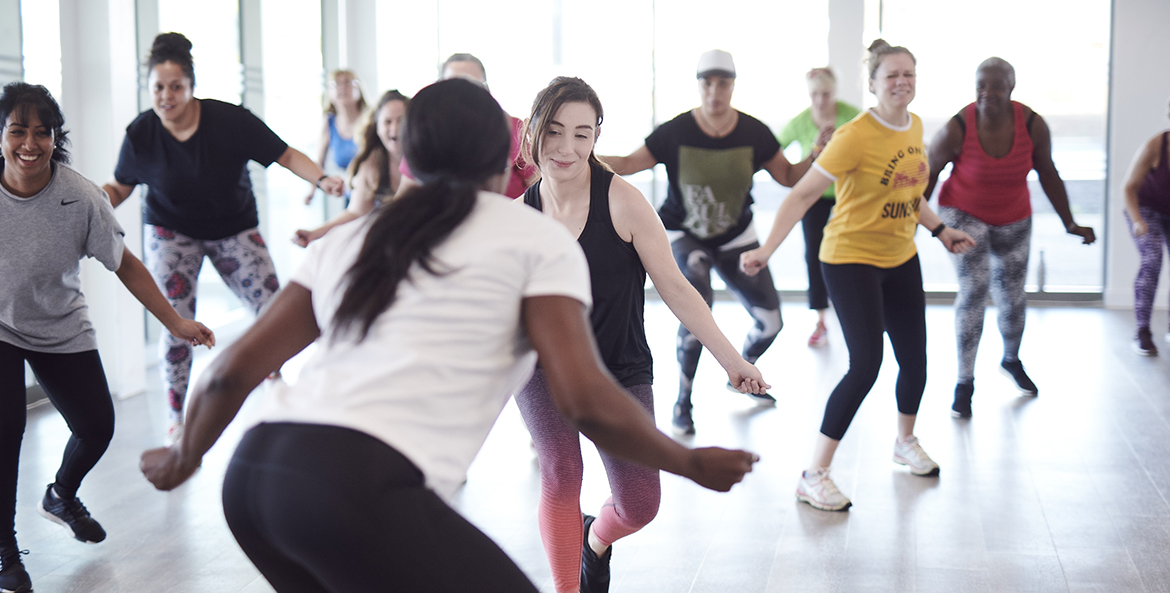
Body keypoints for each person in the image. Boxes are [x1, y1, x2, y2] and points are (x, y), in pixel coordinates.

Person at [139, 78, 762, 593]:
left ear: (408, 155)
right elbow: (582, 398)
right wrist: (687, 460)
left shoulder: (357, 238)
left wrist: (182, 457)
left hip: (252, 480)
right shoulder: (531, 238)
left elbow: (230, 371)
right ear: (509, 156)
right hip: (359, 483)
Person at [0, 82, 214, 593]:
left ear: (55, 138)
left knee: (97, 426)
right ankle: (4, 550)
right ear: (0, 135)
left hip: (58, 322)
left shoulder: (80, 194)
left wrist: (174, 322)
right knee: (3, 426)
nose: (30, 143)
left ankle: (61, 495)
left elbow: (125, 264)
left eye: (41, 133)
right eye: (17, 131)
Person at [517, 77, 769, 593]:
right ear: (535, 131)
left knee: (640, 504)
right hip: (543, 368)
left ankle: (595, 538)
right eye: (555, 132)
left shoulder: (623, 202)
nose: (566, 148)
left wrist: (731, 360)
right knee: (562, 473)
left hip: (617, 367)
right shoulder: (520, 215)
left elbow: (676, 288)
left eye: (582, 135)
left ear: (596, 138)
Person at [741, 40, 976, 512]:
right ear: (872, 84)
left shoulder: (913, 126)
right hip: (849, 258)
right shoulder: (855, 134)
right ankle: (814, 474)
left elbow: (910, 191)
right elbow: (803, 194)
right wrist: (767, 249)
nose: (901, 81)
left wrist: (939, 230)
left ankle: (904, 441)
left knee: (916, 360)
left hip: (899, 254)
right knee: (866, 364)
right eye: (891, 75)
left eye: (908, 73)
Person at [101, 32, 342, 442]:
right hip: (170, 231)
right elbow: (120, 188)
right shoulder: (142, 133)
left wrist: (321, 179)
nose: (166, 96)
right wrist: (88, 202)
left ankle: (280, 395)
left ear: (191, 87)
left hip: (233, 227)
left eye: (176, 86)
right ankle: (177, 419)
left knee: (274, 311)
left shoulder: (229, 120)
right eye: (158, 88)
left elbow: (283, 154)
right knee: (174, 320)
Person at [602, 49, 817, 435]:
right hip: (686, 235)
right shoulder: (675, 131)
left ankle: (740, 371)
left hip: (737, 236)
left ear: (733, 86)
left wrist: (818, 155)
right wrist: (574, 153)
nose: (715, 91)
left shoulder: (754, 132)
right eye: (707, 83)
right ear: (698, 85)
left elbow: (787, 176)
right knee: (699, 309)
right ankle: (683, 401)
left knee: (772, 322)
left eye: (723, 83)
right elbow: (629, 164)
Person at [923, 57, 1096, 416]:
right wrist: (915, 220)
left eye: (996, 85)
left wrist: (1070, 222)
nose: (987, 93)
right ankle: (964, 382)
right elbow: (929, 174)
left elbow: (1048, 173)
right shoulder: (958, 126)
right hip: (962, 212)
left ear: (1011, 88)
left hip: (1014, 216)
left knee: (1012, 296)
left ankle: (1011, 359)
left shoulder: (1032, 125)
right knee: (975, 289)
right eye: (980, 85)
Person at [777, 67, 859, 347]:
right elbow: (774, 150)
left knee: (851, 254)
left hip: (848, 196)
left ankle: (852, 311)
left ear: (834, 92)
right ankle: (821, 320)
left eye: (826, 94)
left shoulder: (851, 116)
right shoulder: (801, 121)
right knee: (815, 256)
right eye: (815, 95)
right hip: (813, 198)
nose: (821, 101)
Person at [395, 52, 539, 200]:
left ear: (486, 88)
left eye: (472, 85)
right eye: (453, 85)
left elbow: (536, 186)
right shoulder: (425, 132)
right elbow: (404, 196)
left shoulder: (512, 127)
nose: (462, 94)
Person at [292, 91, 408, 246]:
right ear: (377, 127)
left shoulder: (429, 159)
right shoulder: (371, 165)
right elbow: (356, 212)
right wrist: (315, 233)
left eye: (402, 121)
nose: (395, 128)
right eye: (387, 122)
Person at [1122, 97, 1170, 356]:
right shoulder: (1155, 146)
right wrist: (1138, 221)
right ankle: (1142, 331)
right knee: (1152, 258)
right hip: (1144, 208)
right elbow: (1129, 188)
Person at [302, 69, 366, 206]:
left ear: (358, 89)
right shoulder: (329, 122)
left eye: (348, 82)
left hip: (375, 191)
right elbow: (319, 162)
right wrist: (312, 191)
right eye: (336, 84)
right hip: (352, 194)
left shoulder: (370, 120)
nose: (342, 88)